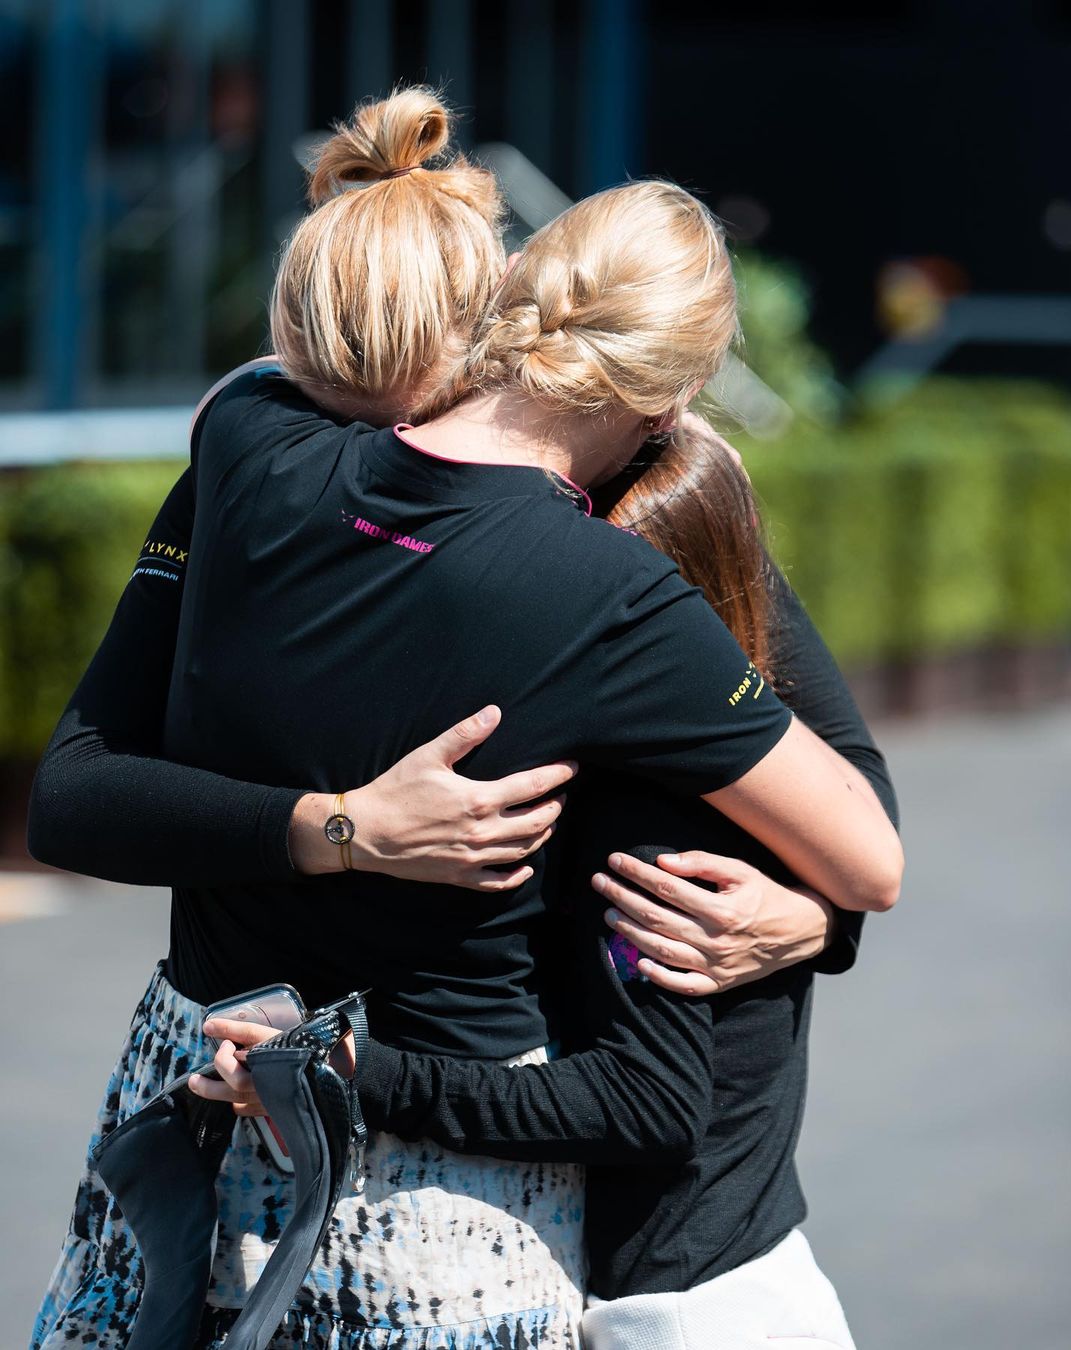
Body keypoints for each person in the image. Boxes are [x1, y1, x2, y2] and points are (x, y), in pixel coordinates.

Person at [27, 89, 900, 1349]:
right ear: (673, 403)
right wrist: (816, 916)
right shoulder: (618, 589)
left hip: (186, 1118)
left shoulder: (249, 442)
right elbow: (869, 851)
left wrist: (336, 827)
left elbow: (80, 786)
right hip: (437, 1212)